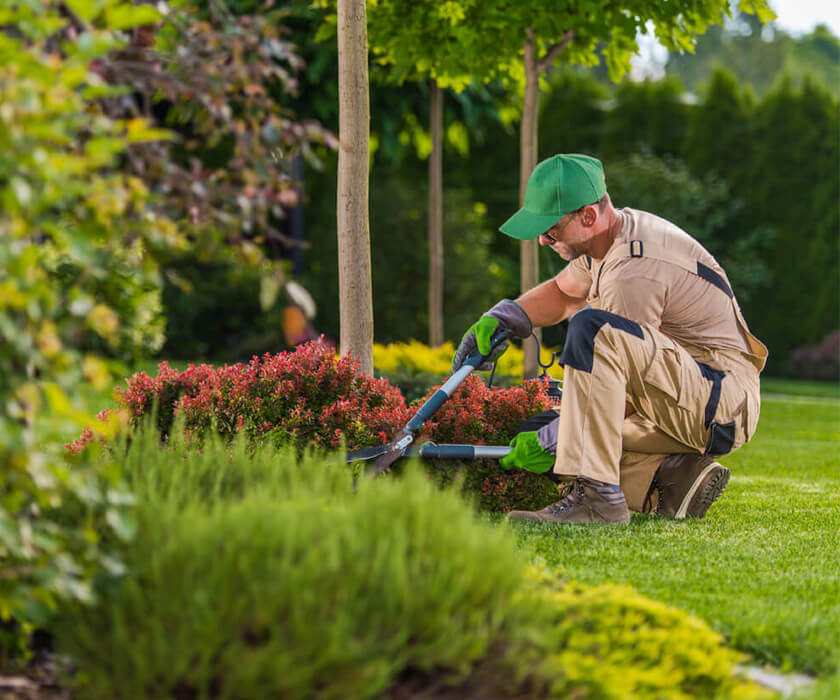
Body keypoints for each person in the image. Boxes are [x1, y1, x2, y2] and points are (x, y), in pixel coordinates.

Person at [453, 154, 767, 524]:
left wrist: (557, 440)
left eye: (551, 229)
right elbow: (564, 293)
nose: (542, 240)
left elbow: (626, 392)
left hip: (719, 401)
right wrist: (507, 316)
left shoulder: (632, 273)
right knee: (545, 426)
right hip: (684, 392)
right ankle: (674, 477)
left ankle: (598, 499)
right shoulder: (606, 241)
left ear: (587, 216)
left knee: (591, 337)